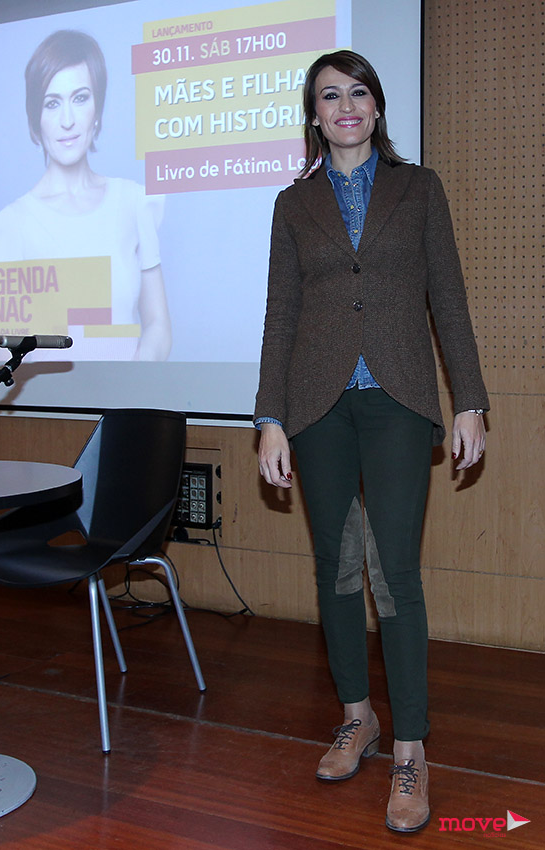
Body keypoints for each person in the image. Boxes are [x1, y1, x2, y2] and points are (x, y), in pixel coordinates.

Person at [254, 50, 488, 834]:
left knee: (394, 574)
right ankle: (358, 717)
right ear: (314, 115)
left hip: (397, 400)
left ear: (376, 107)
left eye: (357, 92)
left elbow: (446, 297)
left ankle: (411, 750)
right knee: (335, 568)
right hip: (316, 405)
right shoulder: (293, 204)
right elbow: (280, 315)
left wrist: (469, 401)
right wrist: (268, 418)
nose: (345, 105)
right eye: (330, 95)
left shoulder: (418, 189)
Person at [0, 29, 171, 361]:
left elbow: (158, 324)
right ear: (35, 118)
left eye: (80, 98)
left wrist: (134, 378)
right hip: (42, 395)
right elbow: (4, 355)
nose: (67, 120)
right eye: (52, 103)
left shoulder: (134, 202)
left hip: (128, 392)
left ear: (97, 108)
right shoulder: (5, 227)